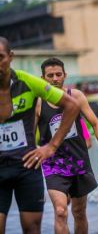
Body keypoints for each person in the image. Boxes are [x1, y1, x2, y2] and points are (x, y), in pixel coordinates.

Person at [0, 37, 79, 234]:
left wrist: (51, 146)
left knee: (32, 228)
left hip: (26, 165)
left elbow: (71, 105)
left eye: (0, 57)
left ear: (10, 57)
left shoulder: (28, 82)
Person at [35, 57, 98, 234]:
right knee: (61, 211)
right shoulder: (38, 102)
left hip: (78, 161)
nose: (55, 78)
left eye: (58, 74)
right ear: (43, 78)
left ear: (65, 75)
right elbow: (29, 134)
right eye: (50, 75)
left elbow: (95, 123)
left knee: (79, 212)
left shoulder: (76, 96)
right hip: (53, 164)